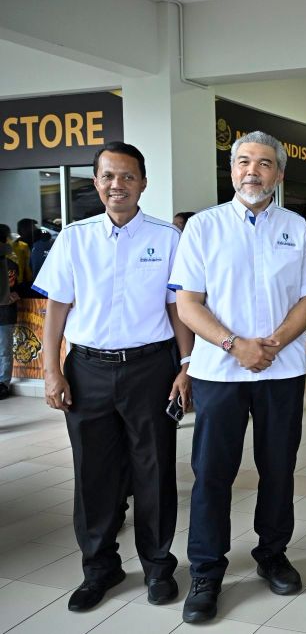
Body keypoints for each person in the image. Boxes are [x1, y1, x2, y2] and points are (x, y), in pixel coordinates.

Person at [170, 131, 306, 624]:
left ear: (279, 173)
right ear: (232, 170)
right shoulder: (204, 228)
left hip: (282, 371)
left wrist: (272, 344)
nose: (251, 171)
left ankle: (272, 555)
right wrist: (236, 345)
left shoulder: (296, 227)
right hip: (220, 372)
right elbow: (187, 303)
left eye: (263, 163)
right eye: (242, 162)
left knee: (278, 468)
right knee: (212, 474)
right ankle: (207, 571)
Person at [33, 141, 193, 612]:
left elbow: (176, 307)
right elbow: (56, 309)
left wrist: (186, 367)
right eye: (107, 176)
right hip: (87, 370)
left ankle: (159, 567)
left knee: (155, 470)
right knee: (94, 476)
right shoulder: (74, 237)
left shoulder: (166, 238)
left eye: (126, 177)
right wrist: (50, 372)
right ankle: (99, 569)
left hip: (151, 367)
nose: (116, 185)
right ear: (96, 182)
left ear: (143, 182)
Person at [0, 225, 20, 400]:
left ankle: (3, 384)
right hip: (5, 312)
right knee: (4, 350)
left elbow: (11, 288)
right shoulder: (10, 262)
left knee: (4, 350)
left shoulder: (9, 263)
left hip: (4, 314)